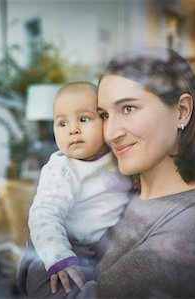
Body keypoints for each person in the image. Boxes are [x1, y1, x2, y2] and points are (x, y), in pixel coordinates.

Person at [18, 48, 195, 298]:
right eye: (104, 115)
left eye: (128, 108)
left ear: (181, 111)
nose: (111, 132)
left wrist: (37, 262)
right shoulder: (120, 191)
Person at [27, 81, 133, 294]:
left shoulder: (118, 156)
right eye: (62, 123)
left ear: (105, 122)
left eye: (84, 119)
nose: (73, 130)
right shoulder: (61, 168)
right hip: (78, 253)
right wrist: (60, 257)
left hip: (115, 248)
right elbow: (44, 215)